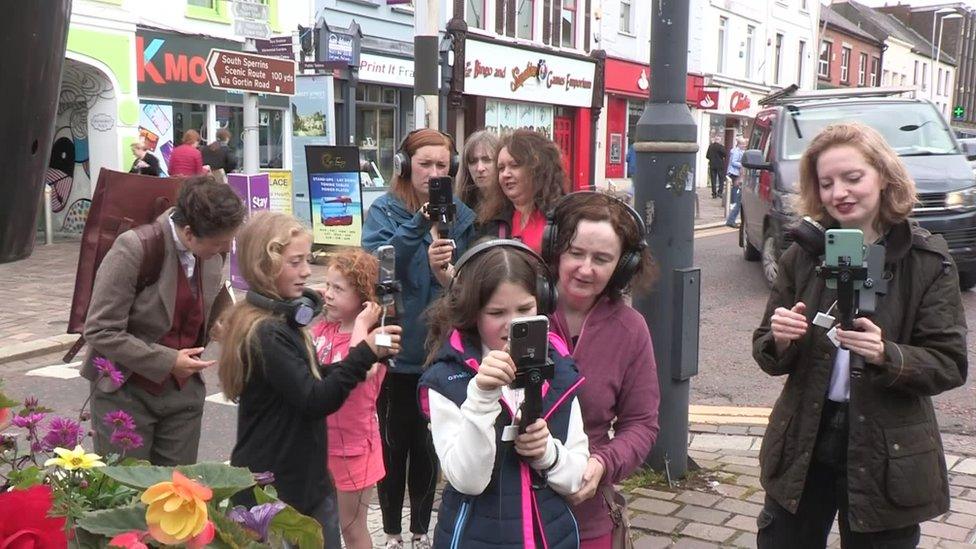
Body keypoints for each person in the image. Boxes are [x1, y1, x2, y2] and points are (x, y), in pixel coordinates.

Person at [753, 123, 967, 548]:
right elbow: (766, 349)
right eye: (827, 182)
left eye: (853, 178)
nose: (839, 193)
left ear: (884, 176)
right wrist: (780, 338)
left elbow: (950, 363)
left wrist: (886, 354)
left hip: (888, 447)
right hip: (805, 437)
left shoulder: (927, 261)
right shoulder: (802, 254)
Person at [221, 211, 402, 548]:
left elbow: (313, 378)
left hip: (302, 480)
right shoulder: (267, 333)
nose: (307, 271)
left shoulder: (280, 322)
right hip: (279, 485)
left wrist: (364, 359)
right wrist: (362, 354)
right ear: (265, 266)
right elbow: (316, 398)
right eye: (296, 262)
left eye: (306, 260)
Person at [421, 240, 590, 548]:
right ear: (472, 314)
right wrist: (482, 397)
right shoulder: (447, 379)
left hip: (551, 536)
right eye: (497, 312)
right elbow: (468, 480)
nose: (513, 323)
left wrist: (549, 455)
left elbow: (576, 475)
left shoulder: (561, 370)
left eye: (525, 308)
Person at [361, 128, 476, 549]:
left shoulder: (462, 217)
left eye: (441, 165)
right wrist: (417, 225)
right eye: (424, 164)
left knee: (430, 448)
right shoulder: (385, 212)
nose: (432, 173)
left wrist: (449, 268)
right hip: (395, 352)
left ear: (452, 169)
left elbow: (474, 282)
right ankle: (391, 532)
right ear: (405, 166)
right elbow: (374, 266)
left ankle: (420, 532)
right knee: (393, 447)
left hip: (441, 354)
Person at [82, 175, 246, 465]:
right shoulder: (134, 248)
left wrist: (223, 319)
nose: (224, 249)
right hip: (127, 392)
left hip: (184, 396)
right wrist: (168, 361)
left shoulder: (211, 251)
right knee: (127, 496)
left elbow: (212, 295)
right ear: (188, 232)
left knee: (177, 494)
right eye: (220, 243)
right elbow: (100, 329)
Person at [542, 191, 661, 548]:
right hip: (508, 506)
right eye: (576, 253)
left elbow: (641, 423)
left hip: (586, 511)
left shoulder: (630, 329)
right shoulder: (517, 308)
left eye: (602, 259)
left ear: (622, 267)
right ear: (555, 249)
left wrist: (603, 464)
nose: (585, 268)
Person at [311, 250, 388, 549]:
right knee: (318, 523)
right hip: (320, 443)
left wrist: (360, 323)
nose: (328, 295)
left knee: (352, 528)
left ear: (364, 299)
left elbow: (363, 369)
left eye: (338, 289)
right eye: (327, 286)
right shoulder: (324, 327)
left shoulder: (377, 335)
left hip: (355, 449)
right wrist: (311, 298)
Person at [477, 129, 567, 252]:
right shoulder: (491, 220)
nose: (505, 174)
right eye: (501, 168)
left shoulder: (562, 217)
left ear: (538, 168)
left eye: (514, 165)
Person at [454, 129, 500, 211]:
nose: (480, 168)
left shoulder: (512, 205)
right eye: (473, 161)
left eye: (487, 160)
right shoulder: (460, 207)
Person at [725, 137, 747, 228]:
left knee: (737, 198)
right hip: (735, 174)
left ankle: (731, 219)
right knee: (736, 197)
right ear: (739, 144)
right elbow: (734, 162)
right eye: (743, 144)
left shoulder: (740, 151)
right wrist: (742, 164)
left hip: (737, 175)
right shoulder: (736, 152)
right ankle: (731, 219)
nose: (744, 146)